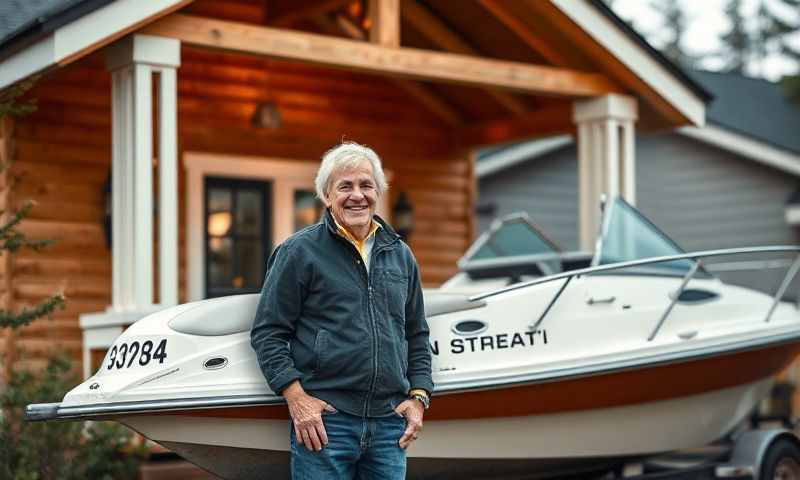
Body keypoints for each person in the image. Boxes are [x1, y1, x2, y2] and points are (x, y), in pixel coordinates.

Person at [251, 141, 434, 479]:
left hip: (388, 424)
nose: (357, 195)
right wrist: (296, 398)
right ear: (327, 195)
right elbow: (268, 332)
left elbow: (416, 333)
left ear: (378, 191)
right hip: (325, 423)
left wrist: (419, 397)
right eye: (345, 186)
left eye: (366, 185)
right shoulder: (298, 252)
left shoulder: (400, 255)